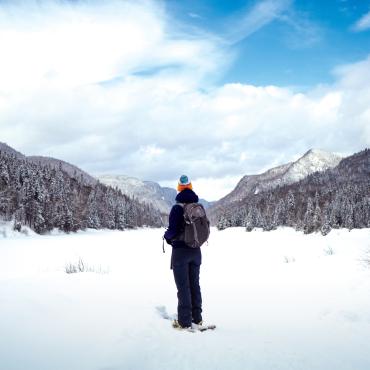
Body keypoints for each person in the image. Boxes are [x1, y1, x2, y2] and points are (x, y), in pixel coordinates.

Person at [164, 175, 203, 329]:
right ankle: (197, 318)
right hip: (196, 251)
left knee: (183, 287)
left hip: (180, 252)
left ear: (179, 189)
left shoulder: (177, 208)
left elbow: (172, 231)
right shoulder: (198, 207)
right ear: (191, 187)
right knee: (195, 285)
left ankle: (184, 322)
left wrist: (166, 237)